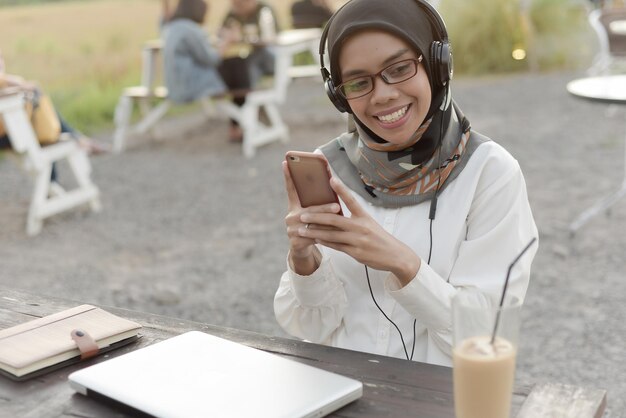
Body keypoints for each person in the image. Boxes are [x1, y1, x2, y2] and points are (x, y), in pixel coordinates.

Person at [274, 0, 538, 366]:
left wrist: (402, 263)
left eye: (399, 69)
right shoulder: (330, 167)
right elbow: (308, 326)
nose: (382, 94)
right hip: (336, 391)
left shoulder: (489, 174)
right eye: (357, 82)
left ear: (436, 64)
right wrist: (304, 260)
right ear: (339, 95)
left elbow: (487, 337)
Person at [161, 0, 251, 142]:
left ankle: (238, 121)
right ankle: (243, 116)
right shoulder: (191, 29)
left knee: (236, 67)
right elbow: (211, 59)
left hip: (174, 84)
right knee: (238, 65)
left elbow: (164, 16)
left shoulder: (171, 27)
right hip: (191, 85)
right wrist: (228, 41)